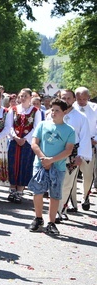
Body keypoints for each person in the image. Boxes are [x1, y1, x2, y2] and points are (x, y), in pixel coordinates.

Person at [28, 99, 75, 236]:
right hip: (40, 164)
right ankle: (38, 218)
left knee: (55, 194)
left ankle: (51, 222)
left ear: (64, 112)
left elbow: (68, 150)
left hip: (58, 167)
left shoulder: (69, 130)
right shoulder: (42, 125)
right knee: (38, 192)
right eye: (52, 110)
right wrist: (43, 159)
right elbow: (34, 143)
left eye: (57, 110)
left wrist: (52, 160)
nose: (54, 113)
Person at [56, 89, 90, 220]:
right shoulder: (53, 114)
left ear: (73, 99)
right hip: (55, 152)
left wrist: (80, 155)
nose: (66, 100)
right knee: (55, 182)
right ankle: (55, 209)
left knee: (67, 183)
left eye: (69, 98)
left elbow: (85, 137)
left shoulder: (81, 117)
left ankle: (60, 210)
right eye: (63, 97)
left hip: (73, 153)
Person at [7, 88, 42, 202]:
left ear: (30, 97)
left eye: (25, 96)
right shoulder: (13, 109)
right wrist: (15, 137)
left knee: (24, 164)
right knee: (12, 163)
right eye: (21, 96)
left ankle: (20, 191)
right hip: (14, 141)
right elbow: (9, 126)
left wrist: (25, 139)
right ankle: (12, 189)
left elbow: (36, 127)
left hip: (27, 142)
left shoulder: (35, 111)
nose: (22, 98)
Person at [75, 87, 97, 210]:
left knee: (88, 175)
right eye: (79, 99)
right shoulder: (71, 108)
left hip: (90, 144)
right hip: (74, 145)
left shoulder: (95, 108)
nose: (82, 101)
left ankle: (85, 196)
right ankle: (72, 202)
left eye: (84, 99)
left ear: (88, 97)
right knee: (71, 176)